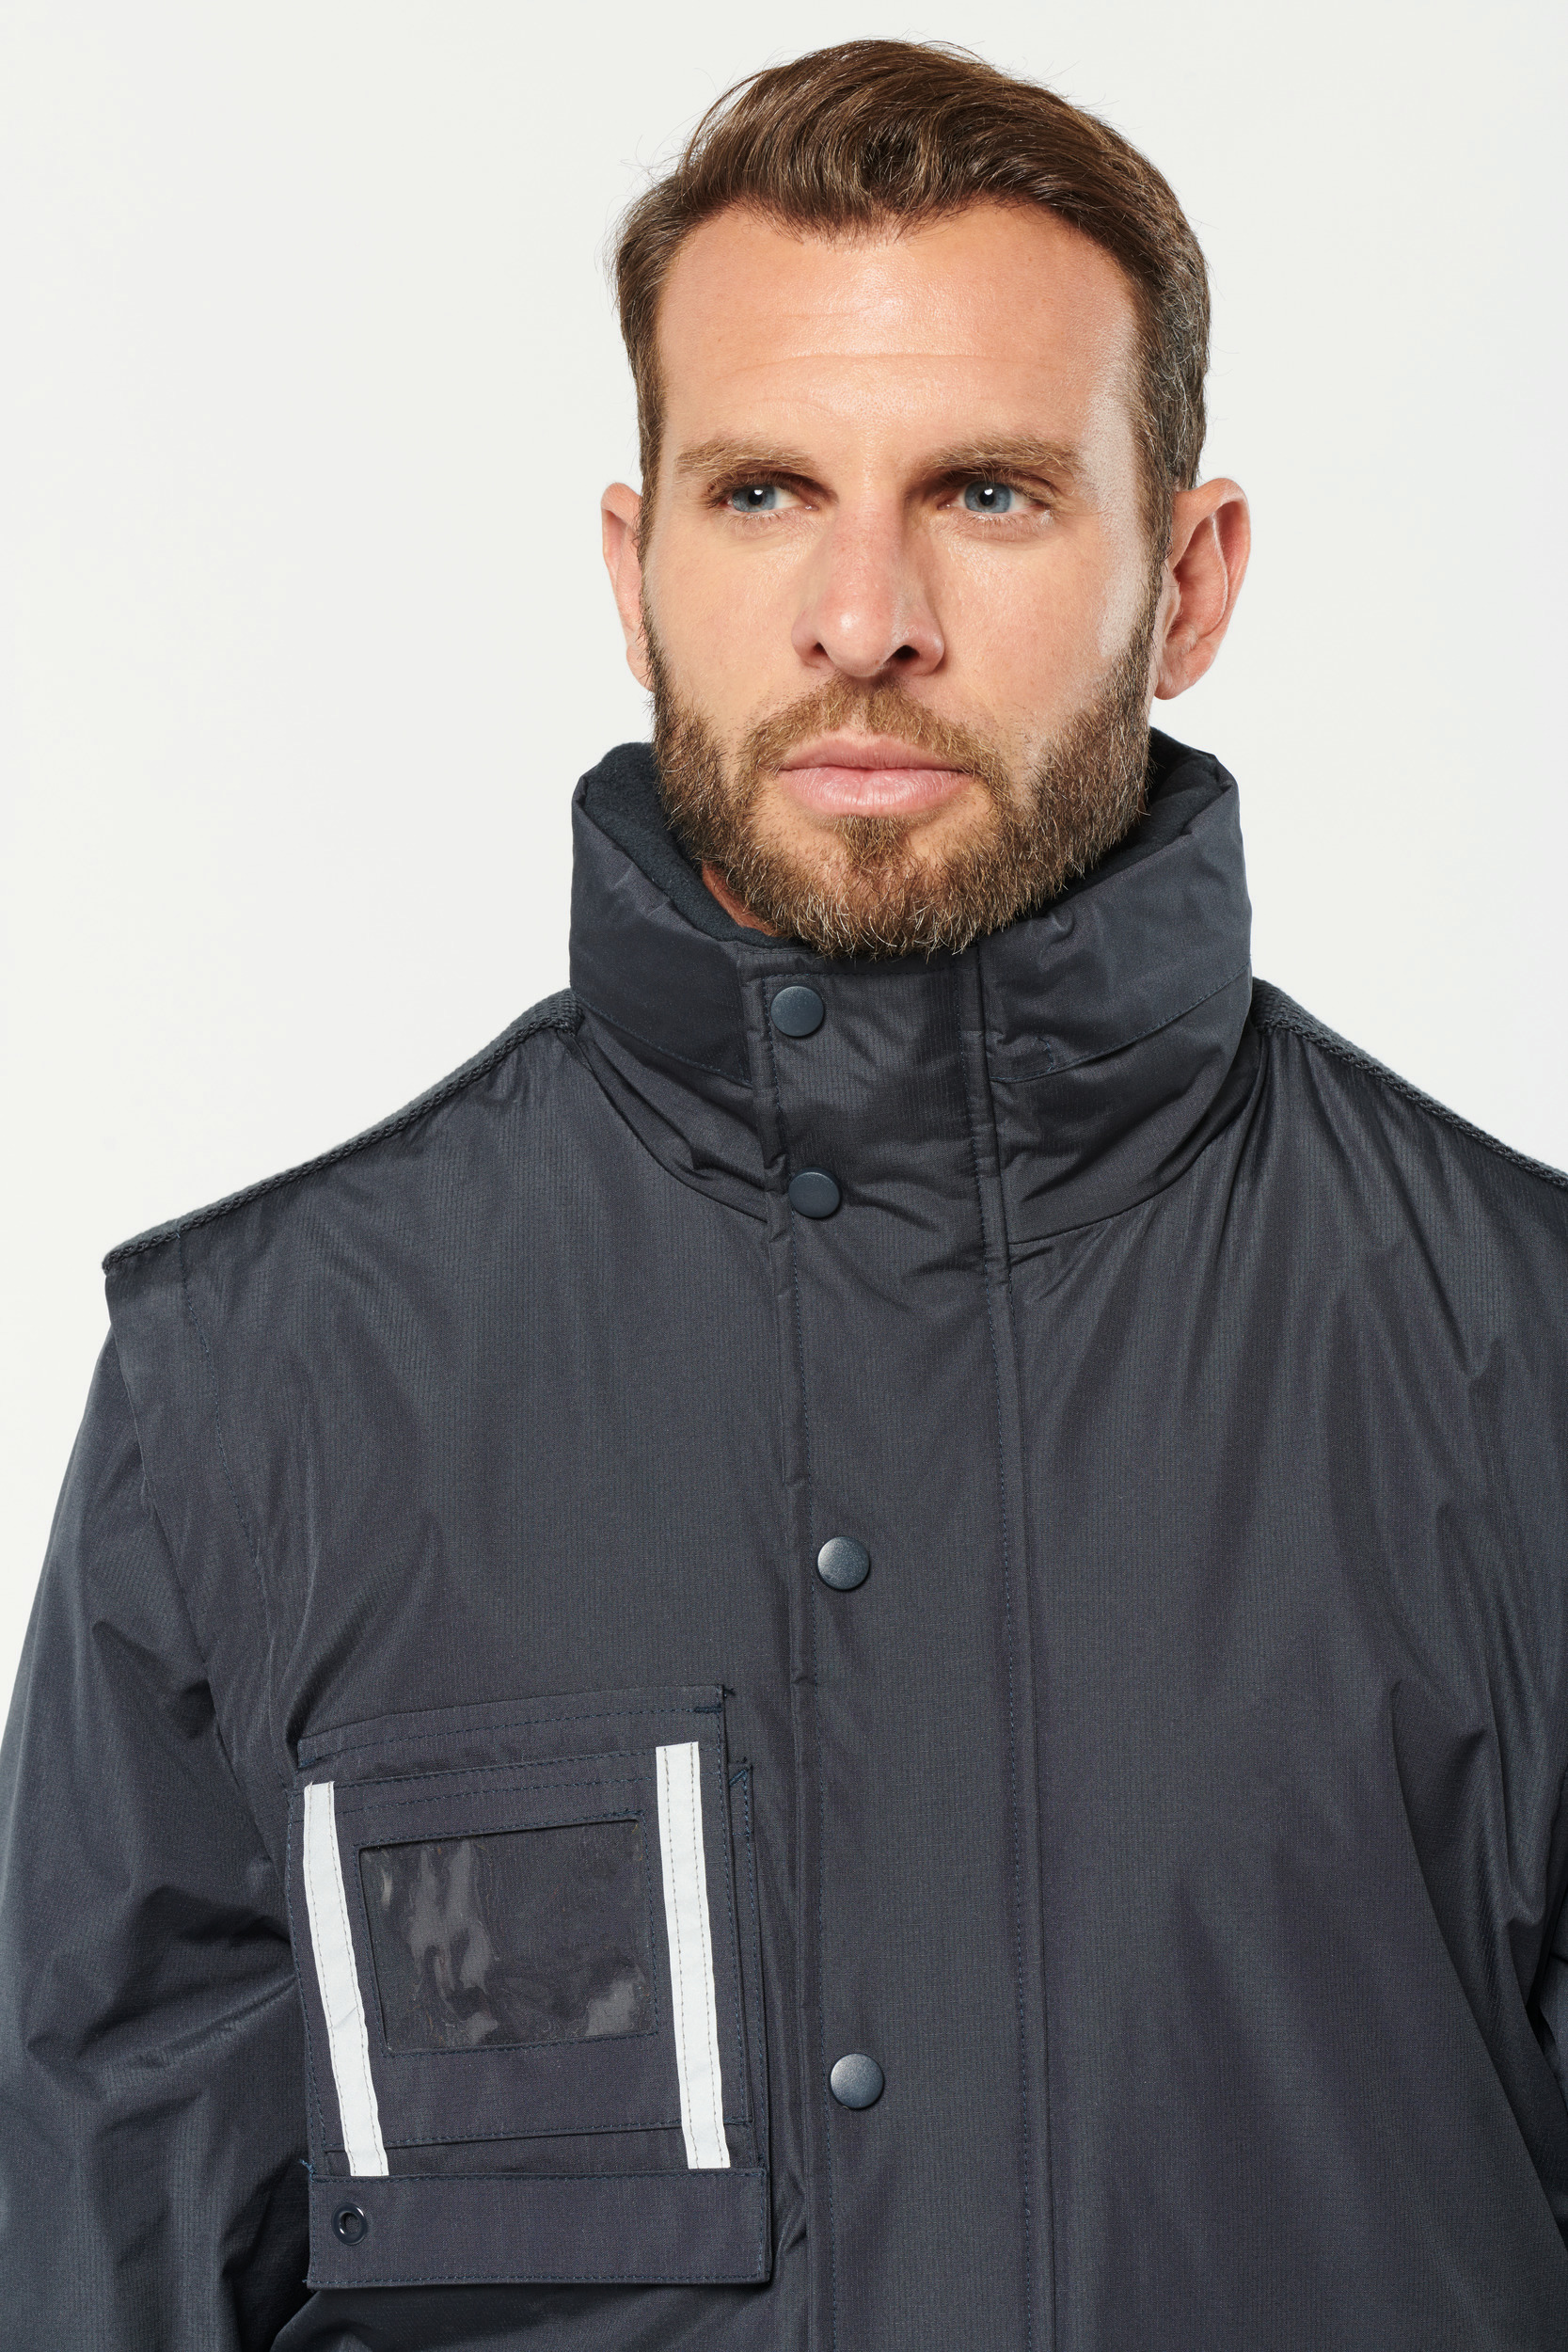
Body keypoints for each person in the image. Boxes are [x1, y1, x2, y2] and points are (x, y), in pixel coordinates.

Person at [2, 34, 1565, 2352]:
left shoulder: (1524, 1376)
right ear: (632, 570)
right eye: (761, 492)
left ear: (1190, 576)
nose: (862, 615)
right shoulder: (256, 1402)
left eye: (989, 492)